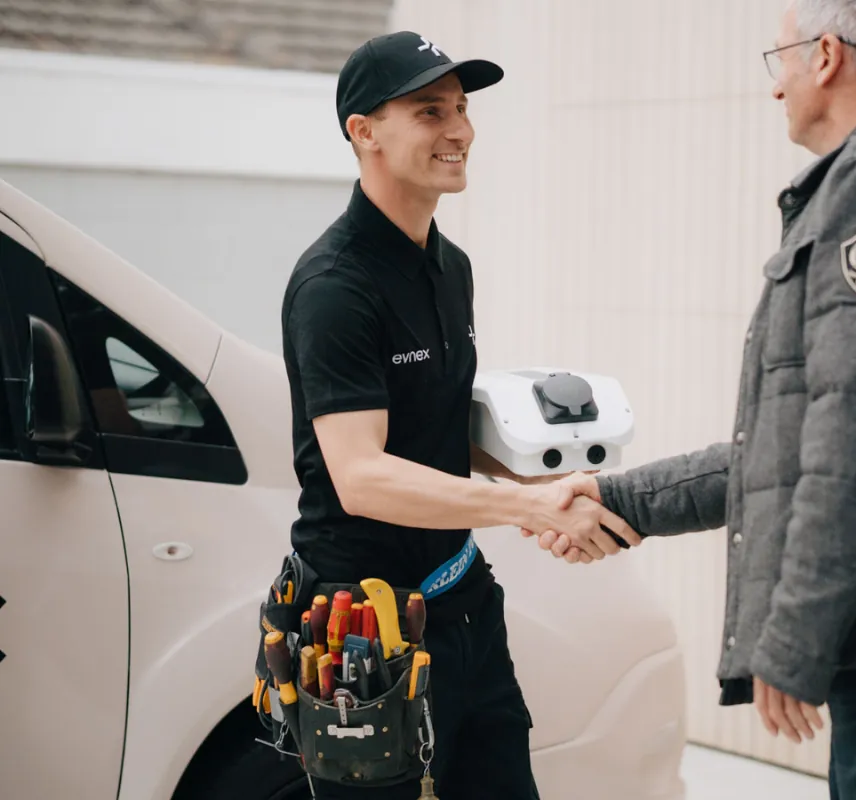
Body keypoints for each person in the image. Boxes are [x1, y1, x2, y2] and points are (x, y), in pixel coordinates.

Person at [532, 1, 856, 797]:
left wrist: (794, 637)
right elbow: (793, 446)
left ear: (825, 56)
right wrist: (623, 498)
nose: (775, 86)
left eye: (777, 58)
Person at [280, 31, 639, 799]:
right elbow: (363, 476)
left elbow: (434, 428)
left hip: (466, 603)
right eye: (429, 110)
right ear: (363, 131)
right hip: (363, 636)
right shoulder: (334, 287)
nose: (458, 130)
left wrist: (548, 486)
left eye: (462, 108)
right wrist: (525, 505)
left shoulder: (450, 267)